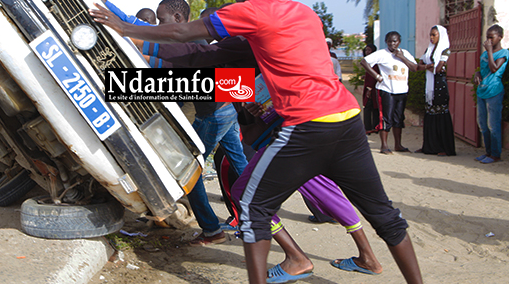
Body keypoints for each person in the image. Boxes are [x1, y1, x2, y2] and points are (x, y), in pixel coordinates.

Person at [90, 0, 422, 284]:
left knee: (248, 202)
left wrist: (123, 27)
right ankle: (321, 259)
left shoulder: (248, 13)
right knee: (384, 214)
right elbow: (220, 61)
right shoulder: (303, 13)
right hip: (347, 118)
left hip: (305, 125)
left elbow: (186, 41)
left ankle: (281, 253)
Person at [142, 16, 384, 278]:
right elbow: (242, 99)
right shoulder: (280, 54)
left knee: (242, 190)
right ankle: (366, 257)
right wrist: (253, 107)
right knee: (322, 190)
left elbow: (211, 78)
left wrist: (135, 41)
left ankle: (293, 256)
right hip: (312, 133)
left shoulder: (245, 51)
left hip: (289, 139)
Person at [136, 0, 248, 246]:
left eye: (161, 20)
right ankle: (263, 213)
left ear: (177, 19)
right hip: (226, 106)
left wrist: (148, 63)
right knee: (240, 162)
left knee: (190, 169)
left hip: (213, 113)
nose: (158, 24)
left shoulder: (191, 42)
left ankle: (211, 229)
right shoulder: (190, 40)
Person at [361, 31, 423, 155]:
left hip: (402, 91)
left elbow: (415, 68)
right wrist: (376, 76)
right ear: (386, 42)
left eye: (394, 41)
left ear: (399, 42)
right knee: (385, 117)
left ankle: (398, 144)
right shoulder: (382, 54)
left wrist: (402, 57)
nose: (392, 44)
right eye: (389, 41)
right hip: (386, 90)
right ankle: (384, 145)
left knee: (398, 118)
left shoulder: (405, 53)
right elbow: (364, 62)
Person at [416, 26, 456, 156]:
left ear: (441, 35)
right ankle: (429, 146)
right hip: (429, 87)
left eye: (434, 35)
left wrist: (428, 67)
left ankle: (445, 148)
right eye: (430, 35)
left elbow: (438, 69)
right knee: (429, 116)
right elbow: (419, 65)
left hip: (439, 86)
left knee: (441, 116)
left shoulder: (445, 50)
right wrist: (429, 66)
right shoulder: (429, 49)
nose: (431, 38)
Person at [474, 24, 508, 164]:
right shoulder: (484, 54)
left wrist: (489, 51)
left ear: (500, 37)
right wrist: (477, 74)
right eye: (487, 37)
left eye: (491, 37)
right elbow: (481, 70)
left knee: (493, 124)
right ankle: (488, 152)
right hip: (481, 92)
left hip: (494, 92)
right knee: (482, 124)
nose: (488, 40)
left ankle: (496, 155)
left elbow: (494, 69)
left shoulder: (504, 53)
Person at [362, 44, 381, 135]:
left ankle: (371, 127)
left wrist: (369, 89)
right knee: (371, 107)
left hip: (372, 89)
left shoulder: (374, 63)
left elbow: (373, 77)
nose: (367, 52)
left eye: (369, 50)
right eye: (366, 50)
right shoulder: (368, 62)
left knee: (369, 108)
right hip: (370, 88)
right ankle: (371, 127)